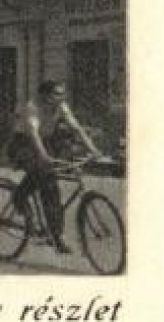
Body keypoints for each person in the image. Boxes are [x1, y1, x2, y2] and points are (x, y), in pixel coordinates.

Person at [7, 81, 101, 254]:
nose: (61, 98)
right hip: (23, 144)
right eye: (57, 94)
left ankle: (51, 230)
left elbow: (77, 128)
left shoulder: (61, 107)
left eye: (62, 94)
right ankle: (55, 236)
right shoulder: (32, 108)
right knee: (47, 182)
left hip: (46, 142)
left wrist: (93, 150)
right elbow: (33, 136)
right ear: (44, 96)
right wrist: (44, 156)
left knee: (49, 174)